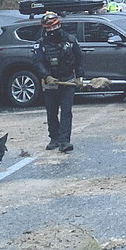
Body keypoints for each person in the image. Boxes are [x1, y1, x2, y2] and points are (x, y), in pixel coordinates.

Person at [33, 12, 84, 153]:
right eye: (48, 28)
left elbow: (79, 59)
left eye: (54, 27)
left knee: (66, 111)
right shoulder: (41, 44)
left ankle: (64, 141)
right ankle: (54, 138)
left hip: (68, 80)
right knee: (51, 111)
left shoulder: (71, 40)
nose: (51, 30)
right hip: (51, 83)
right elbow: (37, 62)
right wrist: (46, 76)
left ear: (59, 25)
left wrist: (80, 76)